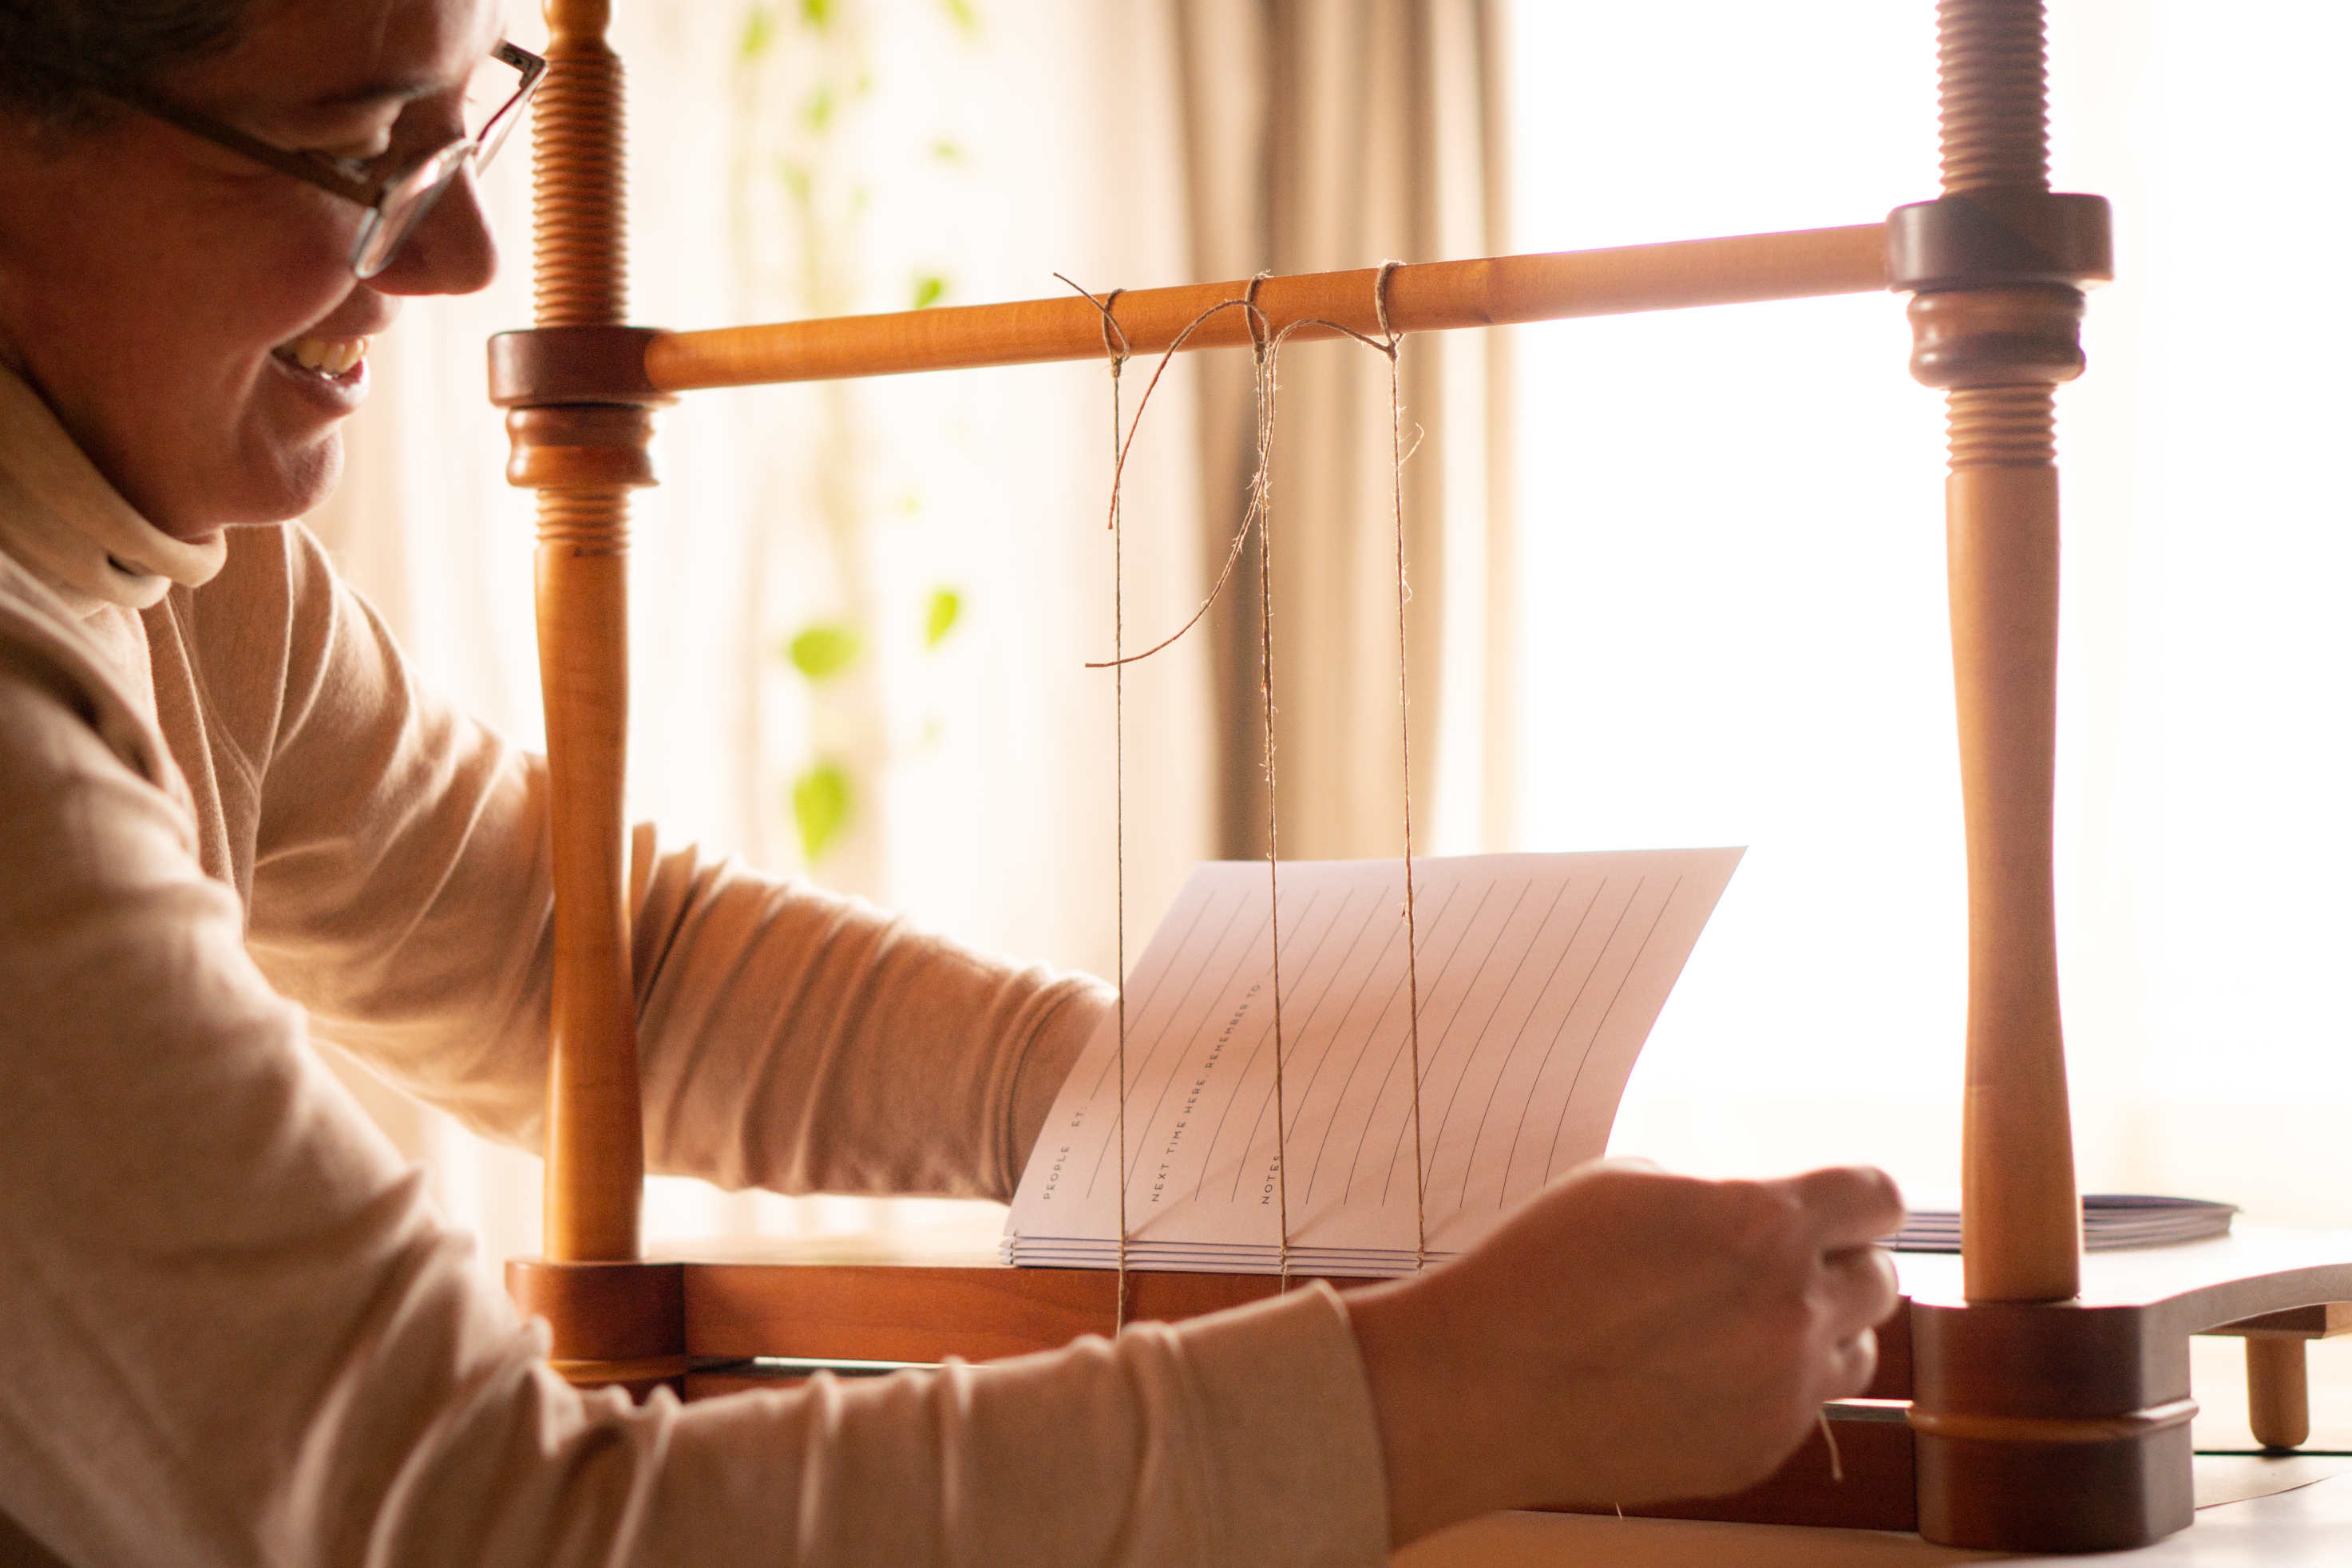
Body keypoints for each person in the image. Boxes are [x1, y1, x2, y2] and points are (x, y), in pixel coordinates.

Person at [0, 2, 1904, 1564]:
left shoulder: (187, 565)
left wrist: (1213, 1118)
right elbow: (480, 1527)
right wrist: (1460, 1392)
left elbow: (592, 969)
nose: (459, 253)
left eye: (454, 122)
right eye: (359, 151)